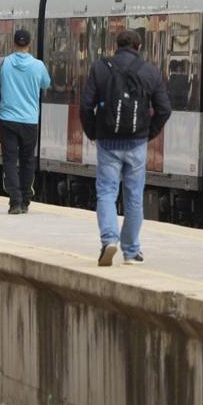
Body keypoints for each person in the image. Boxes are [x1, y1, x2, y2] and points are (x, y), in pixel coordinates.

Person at [80, 29, 172, 266]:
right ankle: (131, 251)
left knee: (107, 192)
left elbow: (85, 106)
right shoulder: (149, 71)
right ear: (139, 47)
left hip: (108, 141)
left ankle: (109, 240)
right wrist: (148, 133)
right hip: (136, 142)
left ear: (116, 45)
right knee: (134, 196)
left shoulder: (100, 68)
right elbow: (164, 109)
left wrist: (93, 132)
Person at [0, 29, 51, 214]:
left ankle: (15, 202)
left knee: (10, 160)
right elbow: (47, 84)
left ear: (13, 43)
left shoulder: (2, 63)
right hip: (30, 120)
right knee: (28, 160)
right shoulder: (38, 65)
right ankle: (26, 200)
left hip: (7, 120)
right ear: (29, 43)